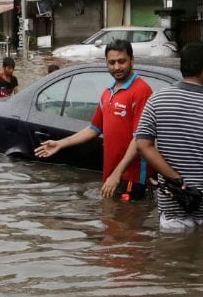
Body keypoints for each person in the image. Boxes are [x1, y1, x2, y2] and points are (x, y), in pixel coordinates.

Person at [135, 42, 203, 230]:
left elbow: (143, 145)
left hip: (175, 203)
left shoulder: (157, 100)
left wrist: (174, 178)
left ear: (182, 68)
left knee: (175, 256)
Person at [34, 39, 153, 200]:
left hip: (132, 176)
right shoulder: (108, 92)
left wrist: (117, 174)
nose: (117, 67)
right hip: (112, 174)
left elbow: (139, 138)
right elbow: (94, 128)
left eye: (121, 61)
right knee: (113, 222)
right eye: (112, 62)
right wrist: (60, 143)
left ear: (132, 60)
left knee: (128, 222)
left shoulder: (141, 91)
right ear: (106, 63)